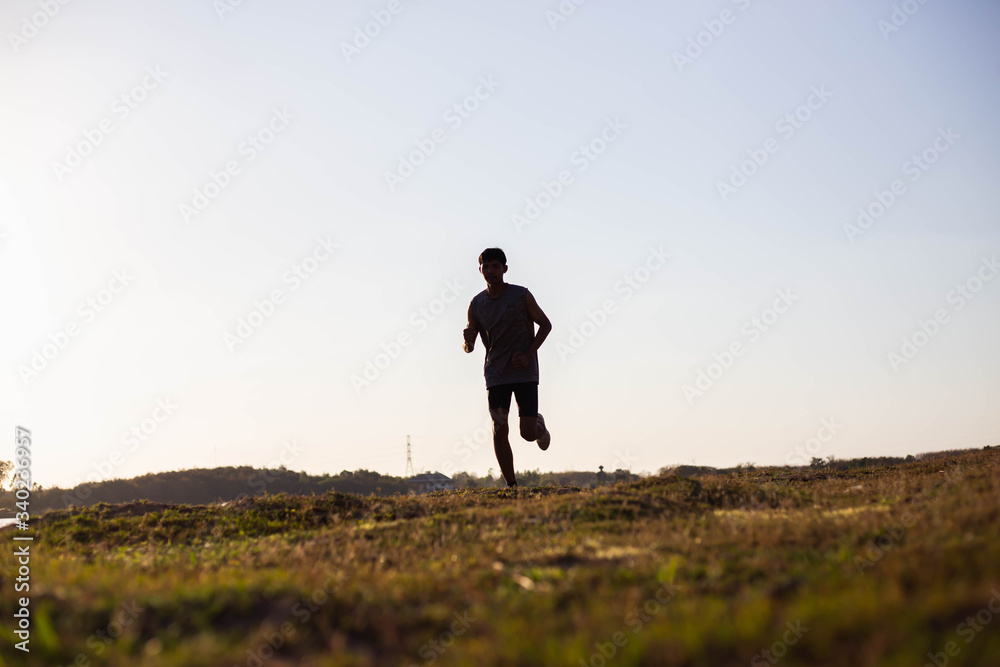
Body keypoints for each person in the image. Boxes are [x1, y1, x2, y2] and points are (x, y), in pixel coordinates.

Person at [462, 248, 552, 488]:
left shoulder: (521, 295)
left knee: (527, 433)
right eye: (486, 267)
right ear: (480, 270)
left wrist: (529, 354)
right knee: (498, 429)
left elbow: (545, 325)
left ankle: (538, 426)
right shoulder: (476, 303)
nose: (490, 271)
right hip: (496, 374)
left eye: (495, 266)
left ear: (504, 269)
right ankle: (512, 487)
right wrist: (467, 341)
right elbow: (469, 346)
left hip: (524, 371)